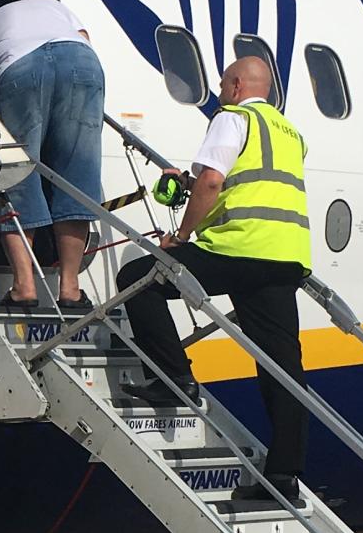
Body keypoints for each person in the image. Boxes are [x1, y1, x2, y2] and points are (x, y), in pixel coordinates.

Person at [121, 53, 313, 501]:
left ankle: (174, 380)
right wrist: (189, 184)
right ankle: (285, 478)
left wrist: (180, 236)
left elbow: (213, 182)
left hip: (236, 248)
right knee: (282, 368)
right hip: (284, 258)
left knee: (138, 279)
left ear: (237, 86)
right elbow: (247, 185)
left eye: (226, 84)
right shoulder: (291, 134)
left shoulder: (231, 119)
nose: (223, 92)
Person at [0, 0, 106, 312]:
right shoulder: (58, 8)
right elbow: (85, 41)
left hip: (18, 66)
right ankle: (70, 287)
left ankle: (24, 286)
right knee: (76, 171)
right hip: (80, 59)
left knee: (18, 170)